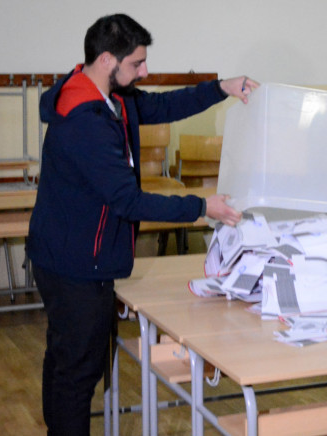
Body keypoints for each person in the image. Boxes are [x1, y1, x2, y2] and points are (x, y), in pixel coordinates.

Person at [26, 14, 256, 436]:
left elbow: (164, 106)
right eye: (136, 63)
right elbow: (127, 201)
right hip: (73, 263)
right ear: (106, 60)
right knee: (78, 371)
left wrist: (221, 87)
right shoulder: (85, 119)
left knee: (66, 361)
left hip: (73, 254)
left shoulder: (111, 95)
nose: (145, 71)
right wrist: (203, 206)